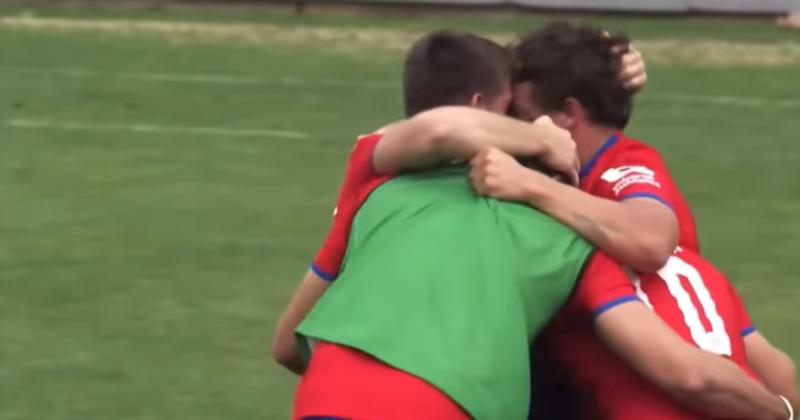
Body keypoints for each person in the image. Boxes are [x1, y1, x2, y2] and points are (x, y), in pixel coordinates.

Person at [272, 30, 791, 420]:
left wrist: (536, 183)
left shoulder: (382, 192)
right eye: (509, 119)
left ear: (566, 114)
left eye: (522, 118)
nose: (517, 132)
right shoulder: (566, 235)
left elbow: (654, 247)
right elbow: (713, 368)